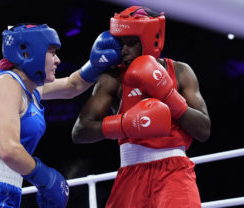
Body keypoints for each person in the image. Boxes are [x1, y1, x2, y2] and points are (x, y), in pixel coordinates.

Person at [0, 23, 121, 208]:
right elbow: (8, 149)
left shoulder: (29, 89)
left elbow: (72, 86)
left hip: (4, 192)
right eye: (52, 52)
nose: (58, 60)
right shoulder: (6, 84)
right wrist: (47, 179)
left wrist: (95, 65)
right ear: (27, 53)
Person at [72, 6, 211, 208]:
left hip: (175, 173)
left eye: (131, 43)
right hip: (130, 174)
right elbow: (80, 131)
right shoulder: (113, 79)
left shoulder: (180, 72)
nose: (124, 50)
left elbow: (204, 130)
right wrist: (124, 124)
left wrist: (169, 96)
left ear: (148, 41)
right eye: (120, 43)